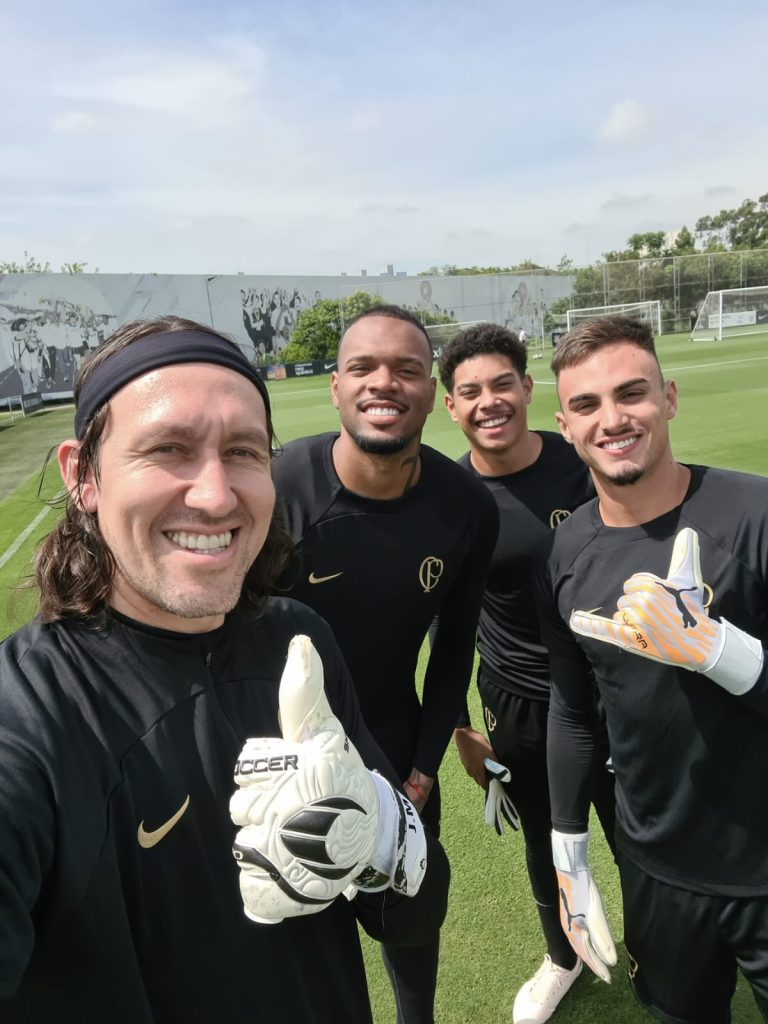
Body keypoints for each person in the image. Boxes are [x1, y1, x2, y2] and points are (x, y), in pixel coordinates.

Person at [0, 314, 449, 1024]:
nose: (215, 494)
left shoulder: (298, 640)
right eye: (168, 449)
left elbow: (413, 918)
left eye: (243, 452)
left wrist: (382, 835)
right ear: (82, 475)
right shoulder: (27, 715)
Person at [536, 314, 768, 1023]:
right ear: (565, 424)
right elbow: (575, 710)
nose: (612, 419)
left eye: (631, 393)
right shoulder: (569, 546)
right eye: (587, 405)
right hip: (658, 869)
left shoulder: (756, 512)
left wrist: (721, 653)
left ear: (668, 397)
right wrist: (569, 850)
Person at [272, 305, 499, 1024]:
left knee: (408, 913)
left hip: (400, 753)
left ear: (432, 392)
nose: (385, 383)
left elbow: (455, 645)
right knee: (303, 923)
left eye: (406, 369)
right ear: (336, 386)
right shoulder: (277, 488)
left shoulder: (465, 505)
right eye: (364, 367)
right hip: (285, 755)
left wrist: (425, 768)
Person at [438, 323, 615, 1024]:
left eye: (501, 384)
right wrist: (459, 726)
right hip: (516, 700)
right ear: (451, 405)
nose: (489, 401)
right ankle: (562, 954)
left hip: (610, 688)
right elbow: (443, 622)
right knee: (547, 837)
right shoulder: (447, 497)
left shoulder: (584, 465)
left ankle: (654, 950)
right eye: (470, 391)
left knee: (636, 831)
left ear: (527, 389)